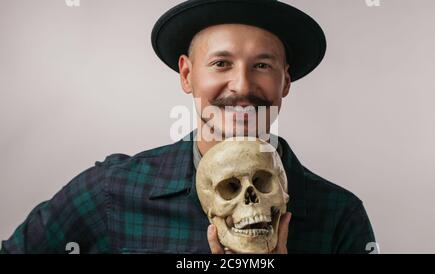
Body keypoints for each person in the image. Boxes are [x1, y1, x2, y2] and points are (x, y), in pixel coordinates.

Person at [0, 0, 375, 254]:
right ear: (187, 74)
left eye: (262, 65)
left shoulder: (339, 216)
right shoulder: (111, 193)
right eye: (221, 63)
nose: (242, 86)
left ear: (285, 81)